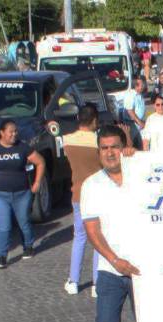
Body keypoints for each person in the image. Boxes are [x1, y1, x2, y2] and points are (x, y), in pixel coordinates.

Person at [82, 125, 161, 322]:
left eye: (115, 146)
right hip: (110, 269)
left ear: (123, 147)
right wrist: (115, 260)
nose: (110, 153)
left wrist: (139, 157)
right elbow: (92, 231)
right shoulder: (91, 185)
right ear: (98, 151)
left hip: (143, 268)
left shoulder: (142, 176)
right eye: (104, 148)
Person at [0, 120, 45, 269]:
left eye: (16, 131)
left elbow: (40, 162)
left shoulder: (23, 147)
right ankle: (1, 256)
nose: (14, 134)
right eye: (11, 132)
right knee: (3, 227)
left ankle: (28, 246)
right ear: (2, 133)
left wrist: (37, 182)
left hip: (22, 193)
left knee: (24, 223)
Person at [62, 104, 101, 296]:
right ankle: (97, 284)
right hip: (98, 194)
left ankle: (73, 281)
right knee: (99, 238)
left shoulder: (67, 140)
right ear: (94, 120)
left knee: (79, 236)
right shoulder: (99, 141)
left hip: (78, 193)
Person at [123, 77, 146, 147]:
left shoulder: (140, 95)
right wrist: (140, 123)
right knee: (133, 145)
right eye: (141, 85)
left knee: (140, 145)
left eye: (143, 84)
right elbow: (130, 111)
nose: (143, 86)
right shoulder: (130, 95)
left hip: (138, 124)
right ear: (136, 85)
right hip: (131, 124)